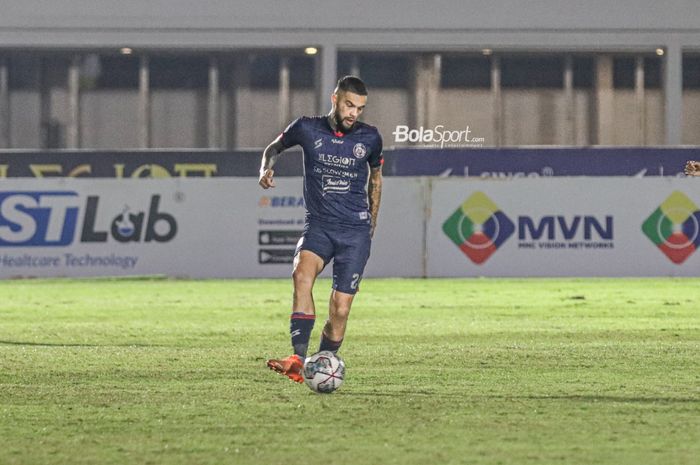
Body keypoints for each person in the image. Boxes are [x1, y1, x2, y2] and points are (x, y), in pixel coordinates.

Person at [259, 76, 383, 383]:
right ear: (335, 99)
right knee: (301, 274)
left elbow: (376, 179)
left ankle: (326, 360)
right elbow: (274, 147)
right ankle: (298, 359)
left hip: (354, 231)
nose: (354, 113)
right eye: (349, 105)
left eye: (360, 108)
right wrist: (266, 167)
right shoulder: (307, 128)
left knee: (339, 310)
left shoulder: (370, 138)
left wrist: (372, 225)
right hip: (319, 225)